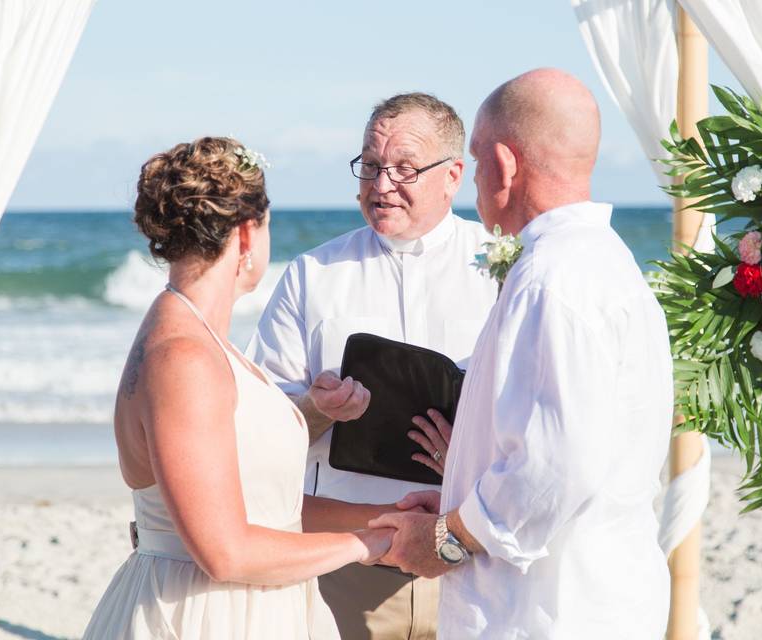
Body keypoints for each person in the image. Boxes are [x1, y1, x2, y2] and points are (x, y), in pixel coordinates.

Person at [369, 69, 674, 638]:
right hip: (592, 594)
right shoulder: (606, 260)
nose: (477, 182)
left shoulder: (553, 278)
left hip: (547, 612)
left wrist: (449, 540)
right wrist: (456, 492)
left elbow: (559, 462)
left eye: (479, 163)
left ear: (505, 167)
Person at [82, 137, 395, 640]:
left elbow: (266, 506)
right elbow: (225, 551)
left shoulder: (199, 341)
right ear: (247, 235)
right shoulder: (183, 357)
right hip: (203, 615)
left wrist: (387, 517)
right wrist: (366, 545)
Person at [247, 94, 497, 638]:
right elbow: (258, 428)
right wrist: (316, 409)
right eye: (371, 165)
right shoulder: (313, 274)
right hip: (346, 562)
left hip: (472, 558)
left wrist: (472, 456)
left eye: (404, 168)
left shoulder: (504, 267)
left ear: (453, 175)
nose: (381, 184)